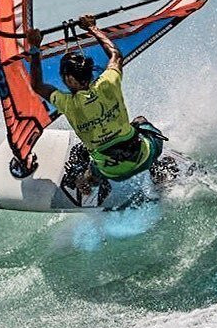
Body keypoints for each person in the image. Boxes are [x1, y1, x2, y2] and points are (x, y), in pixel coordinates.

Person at [25, 14, 167, 197]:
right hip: (145, 156)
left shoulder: (67, 103)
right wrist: (92, 28)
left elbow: (37, 85)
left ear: (68, 78)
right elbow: (115, 55)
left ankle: (87, 182)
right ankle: (157, 170)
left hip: (112, 173)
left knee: (85, 161)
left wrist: (35, 48)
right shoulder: (108, 83)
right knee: (140, 122)